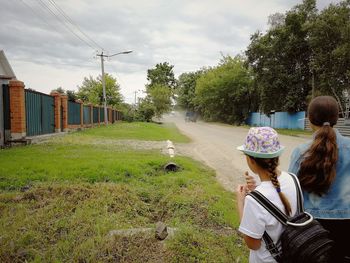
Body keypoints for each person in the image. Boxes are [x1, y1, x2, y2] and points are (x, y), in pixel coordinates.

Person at [288, 95, 350, 262]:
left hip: (311, 228)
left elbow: (291, 190)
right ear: (337, 118)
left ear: (309, 120)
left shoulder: (301, 151)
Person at [236, 127, 299, 263]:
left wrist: (241, 202)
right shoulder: (294, 179)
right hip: (295, 254)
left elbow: (252, 244)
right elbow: (275, 197)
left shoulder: (253, 201)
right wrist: (257, 190)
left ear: (251, 160)